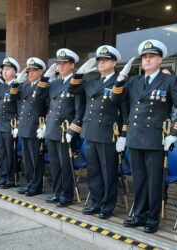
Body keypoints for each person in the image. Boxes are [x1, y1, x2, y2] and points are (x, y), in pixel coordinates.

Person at [111, 39, 177, 233]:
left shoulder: (169, 81)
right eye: (145, 57)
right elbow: (116, 99)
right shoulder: (134, 81)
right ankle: (139, 214)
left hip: (156, 138)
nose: (147, 60)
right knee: (139, 179)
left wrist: (174, 132)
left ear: (160, 60)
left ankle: (152, 218)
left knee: (154, 180)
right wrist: (120, 78)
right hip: (134, 136)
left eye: (152, 56)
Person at [68, 45, 129, 219]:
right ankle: (95, 202)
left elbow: (126, 111)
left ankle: (107, 206)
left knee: (108, 172)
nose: (101, 63)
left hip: (108, 134)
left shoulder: (120, 81)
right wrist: (79, 73)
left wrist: (123, 135)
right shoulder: (92, 81)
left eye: (105, 60)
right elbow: (72, 89)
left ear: (114, 62)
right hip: (90, 132)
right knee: (93, 171)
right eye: (99, 60)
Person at [41, 48, 85, 207]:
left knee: (66, 165)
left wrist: (72, 131)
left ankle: (66, 195)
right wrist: (46, 76)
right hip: (52, 129)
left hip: (66, 131)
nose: (60, 66)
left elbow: (79, 111)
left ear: (72, 65)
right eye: (58, 63)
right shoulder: (54, 83)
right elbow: (41, 97)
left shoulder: (77, 83)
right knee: (55, 165)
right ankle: (56, 192)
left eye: (64, 63)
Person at [16, 57, 49, 195]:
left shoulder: (44, 87)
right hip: (24, 127)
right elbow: (14, 99)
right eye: (29, 70)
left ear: (41, 71)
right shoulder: (24, 86)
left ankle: (36, 186)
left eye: (35, 70)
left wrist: (44, 125)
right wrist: (18, 80)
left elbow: (48, 107)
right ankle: (29, 183)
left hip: (35, 128)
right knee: (27, 159)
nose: (31, 73)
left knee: (35, 159)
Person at [0, 57, 20, 185]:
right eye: (3, 70)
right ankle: (4, 177)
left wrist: (17, 124)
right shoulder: (0, 87)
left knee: (10, 152)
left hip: (10, 124)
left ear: (14, 72)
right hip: (0, 123)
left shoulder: (17, 86)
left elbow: (18, 105)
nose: (4, 72)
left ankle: (11, 178)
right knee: (2, 152)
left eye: (8, 69)